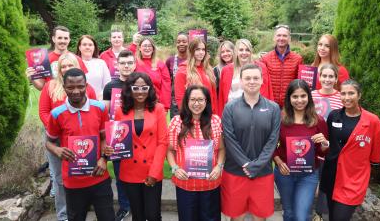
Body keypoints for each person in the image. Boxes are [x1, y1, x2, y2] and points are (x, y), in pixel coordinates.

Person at [45, 68, 114, 220]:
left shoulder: (100, 108)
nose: (76, 91)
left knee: (108, 217)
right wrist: (57, 150)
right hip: (73, 181)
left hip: (99, 177)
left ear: (86, 86)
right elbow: (49, 142)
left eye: (80, 86)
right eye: (70, 87)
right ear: (64, 88)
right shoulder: (56, 114)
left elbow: (105, 137)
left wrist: (104, 159)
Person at [38, 53, 97, 221]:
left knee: (84, 172)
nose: (66, 69)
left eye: (69, 65)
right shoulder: (50, 86)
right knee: (59, 178)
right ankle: (63, 215)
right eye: (63, 67)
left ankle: (82, 209)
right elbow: (43, 112)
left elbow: (93, 111)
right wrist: (55, 127)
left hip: (81, 139)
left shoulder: (88, 87)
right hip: (56, 139)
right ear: (59, 69)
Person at [221, 64, 281, 221]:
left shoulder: (274, 108)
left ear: (262, 81)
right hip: (235, 172)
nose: (252, 81)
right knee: (236, 217)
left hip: (262, 173)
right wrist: (246, 164)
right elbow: (229, 139)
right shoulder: (230, 108)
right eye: (247, 78)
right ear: (241, 81)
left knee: (260, 217)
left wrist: (257, 165)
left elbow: (272, 141)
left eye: (256, 78)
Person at [321, 79, 380, 221]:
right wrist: (324, 146)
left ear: (359, 95)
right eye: (343, 93)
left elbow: (375, 156)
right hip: (332, 175)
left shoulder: (373, 121)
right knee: (331, 216)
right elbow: (329, 144)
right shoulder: (333, 116)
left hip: (353, 179)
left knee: (340, 217)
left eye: (351, 93)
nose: (346, 97)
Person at [114, 72, 168, 221]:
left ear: (149, 89)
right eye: (135, 88)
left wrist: (154, 172)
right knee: (137, 216)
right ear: (129, 89)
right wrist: (111, 149)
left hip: (151, 169)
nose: (140, 92)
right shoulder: (120, 111)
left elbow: (163, 142)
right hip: (130, 170)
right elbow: (119, 140)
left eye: (144, 88)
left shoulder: (158, 109)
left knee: (153, 215)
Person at [273, 79, 329, 221]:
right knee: (289, 213)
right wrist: (279, 162)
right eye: (295, 96)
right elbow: (271, 146)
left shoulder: (319, 121)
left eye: (303, 96)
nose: (299, 100)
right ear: (289, 98)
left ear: (309, 97)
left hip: (308, 175)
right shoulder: (280, 119)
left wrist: (324, 143)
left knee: (302, 216)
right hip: (285, 173)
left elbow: (323, 152)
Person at [167, 85, 225, 221]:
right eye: (192, 99)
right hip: (185, 183)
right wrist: (175, 168)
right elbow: (169, 150)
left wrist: (219, 166)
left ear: (207, 101)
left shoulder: (215, 121)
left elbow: (222, 149)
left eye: (200, 99)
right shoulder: (177, 122)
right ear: (187, 102)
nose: (196, 103)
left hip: (210, 183)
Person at [102, 50, 135, 221]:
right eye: (123, 63)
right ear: (117, 65)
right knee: (120, 173)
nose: (127, 66)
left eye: (130, 62)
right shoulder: (110, 87)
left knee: (138, 171)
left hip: (138, 134)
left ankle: (139, 204)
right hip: (118, 136)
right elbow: (105, 114)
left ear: (134, 64)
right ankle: (124, 206)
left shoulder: (140, 82)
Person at [311, 64, 343, 220]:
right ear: (319, 77)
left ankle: (320, 214)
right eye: (324, 76)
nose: (327, 79)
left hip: (332, 146)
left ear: (336, 79)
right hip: (311, 145)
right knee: (311, 181)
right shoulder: (311, 95)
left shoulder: (341, 97)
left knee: (326, 181)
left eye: (331, 76)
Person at [218, 39, 273, 115]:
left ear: (251, 52)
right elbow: (221, 97)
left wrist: (268, 113)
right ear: (236, 52)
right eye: (241, 50)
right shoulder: (226, 70)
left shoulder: (261, 67)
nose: (244, 53)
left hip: (256, 112)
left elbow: (267, 92)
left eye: (247, 50)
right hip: (233, 112)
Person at [26, 25, 88, 90]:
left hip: (73, 98)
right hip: (52, 97)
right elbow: (41, 87)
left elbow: (84, 84)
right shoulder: (44, 60)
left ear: (69, 40)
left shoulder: (77, 59)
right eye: (59, 38)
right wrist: (32, 77)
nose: (63, 41)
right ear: (53, 39)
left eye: (66, 38)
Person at [260, 25, 303, 108]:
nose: (281, 38)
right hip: (270, 104)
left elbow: (300, 83)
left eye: (284, 36)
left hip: (290, 105)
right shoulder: (265, 59)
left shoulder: (298, 59)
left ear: (289, 39)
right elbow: (262, 83)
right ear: (274, 38)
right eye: (279, 35)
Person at [174, 38, 218, 115]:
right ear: (191, 51)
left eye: (203, 49)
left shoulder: (208, 69)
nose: (201, 52)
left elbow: (213, 95)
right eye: (197, 49)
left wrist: (214, 113)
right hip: (192, 115)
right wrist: (188, 117)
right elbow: (180, 98)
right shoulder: (182, 71)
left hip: (209, 114)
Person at [135, 37, 171, 111]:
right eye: (145, 46)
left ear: (153, 48)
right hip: (137, 104)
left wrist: (165, 107)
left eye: (149, 46)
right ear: (139, 48)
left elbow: (166, 86)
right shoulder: (134, 63)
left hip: (155, 104)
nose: (147, 48)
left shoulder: (160, 65)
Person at [76, 35, 111, 100]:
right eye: (84, 44)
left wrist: (100, 97)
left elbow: (107, 84)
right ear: (80, 47)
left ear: (94, 47)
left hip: (99, 101)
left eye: (90, 45)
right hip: (78, 101)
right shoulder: (75, 63)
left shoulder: (101, 63)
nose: (87, 47)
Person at [166, 32, 189, 118]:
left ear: (189, 42)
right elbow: (167, 82)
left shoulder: (193, 59)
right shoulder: (170, 60)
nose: (181, 44)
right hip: (175, 101)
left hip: (192, 97)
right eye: (178, 42)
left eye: (184, 41)